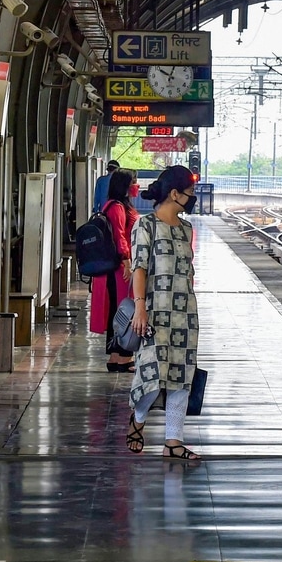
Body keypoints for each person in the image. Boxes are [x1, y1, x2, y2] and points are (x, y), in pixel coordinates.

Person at [126, 165, 202, 461]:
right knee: (152, 373)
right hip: (154, 312)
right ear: (174, 194)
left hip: (185, 313)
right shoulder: (145, 226)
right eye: (190, 192)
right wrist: (140, 307)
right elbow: (139, 268)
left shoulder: (186, 228)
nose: (192, 197)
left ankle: (174, 440)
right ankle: (139, 419)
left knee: (181, 376)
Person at [90, 169, 138, 373]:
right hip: (119, 269)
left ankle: (117, 356)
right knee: (123, 311)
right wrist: (127, 262)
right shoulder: (117, 208)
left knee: (118, 311)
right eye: (133, 182)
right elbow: (119, 237)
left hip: (119, 267)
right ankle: (122, 356)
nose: (136, 186)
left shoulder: (116, 205)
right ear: (125, 186)